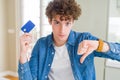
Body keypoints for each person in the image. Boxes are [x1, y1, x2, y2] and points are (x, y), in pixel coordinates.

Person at [18, 0, 120, 80]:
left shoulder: (85, 39)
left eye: (67, 23)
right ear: (50, 21)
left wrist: (99, 45)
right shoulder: (41, 45)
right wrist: (23, 53)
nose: (62, 30)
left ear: (73, 22)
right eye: (57, 22)